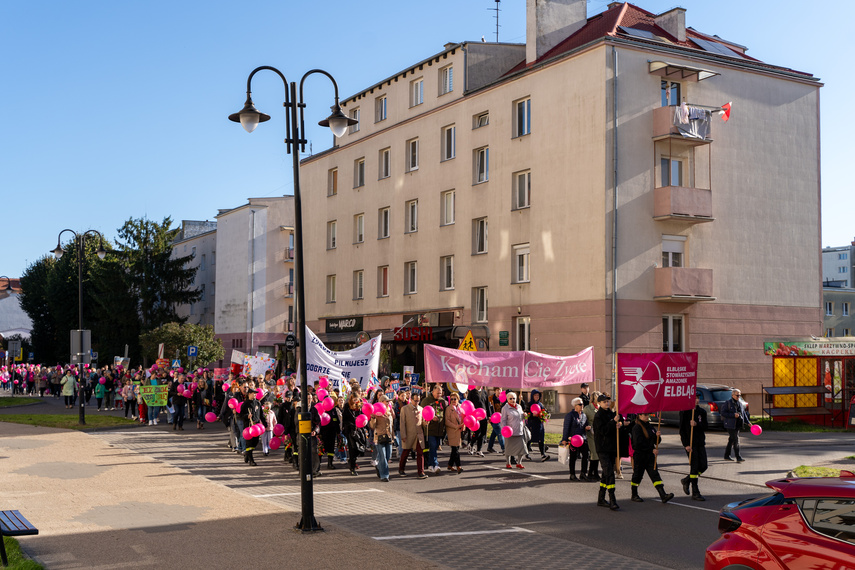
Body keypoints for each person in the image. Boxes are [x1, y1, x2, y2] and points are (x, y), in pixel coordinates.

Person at [593, 394, 628, 510]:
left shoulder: (612, 414)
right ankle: (612, 499)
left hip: (612, 447)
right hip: (602, 448)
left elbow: (617, 427)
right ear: (599, 403)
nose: (607, 403)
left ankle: (601, 498)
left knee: (605, 474)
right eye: (604, 402)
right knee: (609, 473)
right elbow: (603, 431)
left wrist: (619, 424)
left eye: (608, 401)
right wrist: (613, 422)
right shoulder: (598, 416)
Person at [629, 412, 674, 504]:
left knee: (654, 474)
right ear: (639, 416)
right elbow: (637, 444)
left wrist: (658, 436)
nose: (647, 416)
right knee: (637, 475)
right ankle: (634, 494)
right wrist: (651, 449)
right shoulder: (636, 428)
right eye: (645, 415)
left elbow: (656, 441)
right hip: (640, 455)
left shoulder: (649, 426)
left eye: (647, 415)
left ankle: (663, 495)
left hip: (649, 456)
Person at [680, 395, 708, 501]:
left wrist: (697, 424)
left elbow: (706, 426)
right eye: (694, 398)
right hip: (690, 445)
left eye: (697, 398)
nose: (696, 400)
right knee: (694, 467)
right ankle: (695, 492)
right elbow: (682, 430)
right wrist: (686, 444)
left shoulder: (702, 412)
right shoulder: (685, 412)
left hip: (700, 442)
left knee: (704, 466)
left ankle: (687, 480)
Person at [398, 390, 427, 479]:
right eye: (415, 400)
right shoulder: (405, 409)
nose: (417, 402)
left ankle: (421, 472)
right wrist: (403, 435)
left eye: (418, 400)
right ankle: (401, 469)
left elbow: (422, 422)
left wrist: (426, 423)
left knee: (420, 452)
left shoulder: (421, 409)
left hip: (419, 434)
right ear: (411, 400)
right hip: (408, 434)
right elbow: (402, 423)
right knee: (406, 452)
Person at [419, 384, 446, 474]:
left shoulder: (442, 401)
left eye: (440, 393)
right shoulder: (426, 400)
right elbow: (421, 413)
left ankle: (430, 465)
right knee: (433, 446)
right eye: (437, 393)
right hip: (429, 428)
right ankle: (435, 464)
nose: (439, 395)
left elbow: (444, 414)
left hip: (439, 429)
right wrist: (430, 417)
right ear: (433, 392)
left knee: (435, 446)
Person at [562, 397, 590, 481]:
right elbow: (566, 427)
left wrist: (587, 427)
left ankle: (583, 473)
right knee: (573, 457)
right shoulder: (570, 415)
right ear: (575, 405)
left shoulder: (584, 415)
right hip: (573, 439)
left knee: (586, 455)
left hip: (583, 439)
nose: (582, 406)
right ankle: (572, 474)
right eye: (580, 404)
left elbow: (585, 425)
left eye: (582, 404)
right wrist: (565, 439)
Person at [369, 393, 394, 482]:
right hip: (379, 437)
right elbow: (372, 426)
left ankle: (379, 466)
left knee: (388, 456)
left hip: (388, 437)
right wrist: (373, 417)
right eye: (386, 401)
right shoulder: (376, 412)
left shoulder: (389, 411)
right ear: (381, 402)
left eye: (389, 401)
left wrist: (393, 436)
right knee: (383, 456)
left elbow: (392, 426)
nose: (388, 403)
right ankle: (384, 475)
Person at [721, 389, 751, 462]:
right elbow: (723, 413)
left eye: (739, 395)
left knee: (731, 440)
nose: (738, 396)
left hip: (737, 424)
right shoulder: (728, 403)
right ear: (732, 395)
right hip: (730, 425)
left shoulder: (740, 403)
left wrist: (748, 422)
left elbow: (743, 414)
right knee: (736, 440)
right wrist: (733, 415)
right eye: (737, 395)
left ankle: (726, 455)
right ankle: (738, 457)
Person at [500, 392, 527, 469]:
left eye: (514, 398)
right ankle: (508, 463)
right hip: (509, 432)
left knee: (522, 448)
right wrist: (504, 429)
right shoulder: (505, 408)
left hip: (519, 430)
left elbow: (521, 417)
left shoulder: (519, 406)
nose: (512, 400)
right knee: (508, 448)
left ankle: (519, 463)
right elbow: (503, 420)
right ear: (507, 399)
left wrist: (524, 415)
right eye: (510, 398)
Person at [342, 391, 363, 476]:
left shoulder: (360, 406)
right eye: (354, 400)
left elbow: (362, 416)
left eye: (357, 400)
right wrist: (353, 425)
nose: (355, 401)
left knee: (359, 447)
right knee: (352, 447)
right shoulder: (347, 406)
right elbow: (345, 419)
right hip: (350, 430)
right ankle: (352, 468)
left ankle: (352, 460)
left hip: (358, 429)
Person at [526, 389, 550, 461]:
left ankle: (543, 455)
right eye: (535, 395)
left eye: (538, 395)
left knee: (541, 439)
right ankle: (526, 454)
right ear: (532, 396)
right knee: (529, 439)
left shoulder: (540, 404)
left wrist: (546, 415)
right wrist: (532, 415)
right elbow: (525, 415)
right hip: (531, 424)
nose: (537, 397)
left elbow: (545, 411)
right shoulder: (529, 404)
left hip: (539, 424)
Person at [466, 385, 489, 457]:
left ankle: (479, 449)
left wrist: (489, 415)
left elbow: (487, 404)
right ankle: (471, 444)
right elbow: (469, 404)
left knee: (483, 432)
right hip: (476, 415)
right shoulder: (472, 392)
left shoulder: (484, 392)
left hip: (484, 415)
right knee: (477, 431)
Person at [583, 390, 600, 480]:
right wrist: (586, 426)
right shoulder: (587, 408)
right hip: (591, 434)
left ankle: (592, 472)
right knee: (594, 453)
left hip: (599, 434)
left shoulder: (601, 407)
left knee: (597, 453)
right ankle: (592, 473)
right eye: (598, 398)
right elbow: (583, 419)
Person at [445, 392, 465, 473]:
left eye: (455, 399)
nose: (453, 400)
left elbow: (465, 417)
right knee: (455, 449)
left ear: (458, 399)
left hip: (460, 430)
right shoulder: (448, 409)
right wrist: (456, 426)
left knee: (455, 449)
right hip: (452, 430)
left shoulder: (461, 407)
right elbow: (447, 421)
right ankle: (458, 466)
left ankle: (450, 465)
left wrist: (463, 426)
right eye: (451, 399)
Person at [486, 387, 505, 454]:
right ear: (494, 391)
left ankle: (490, 447)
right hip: (493, 418)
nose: (499, 391)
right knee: (500, 432)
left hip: (501, 419)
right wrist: (489, 417)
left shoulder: (503, 399)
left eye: (500, 389)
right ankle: (504, 448)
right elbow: (488, 408)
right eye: (497, 390)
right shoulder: (491, 399)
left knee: (494, 433)